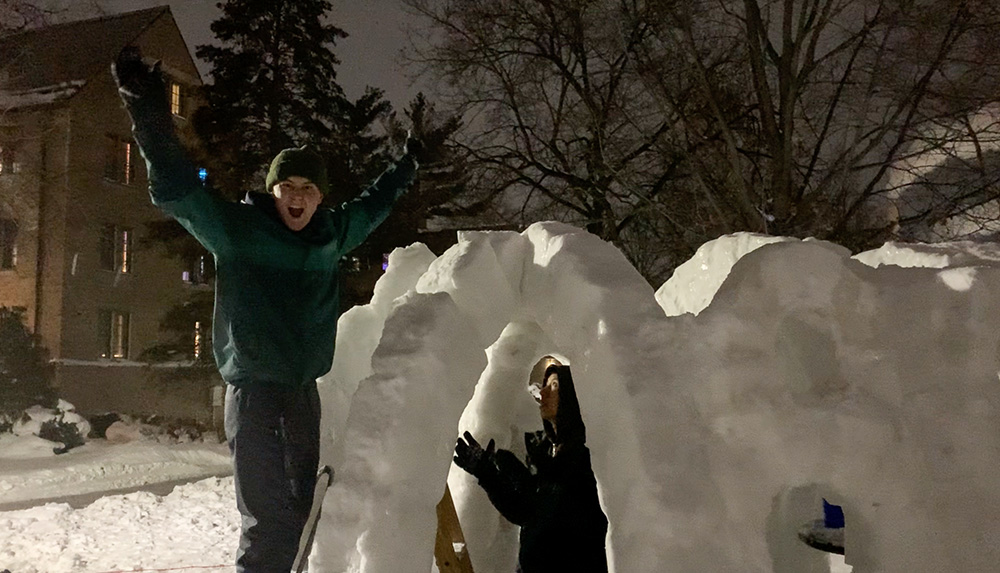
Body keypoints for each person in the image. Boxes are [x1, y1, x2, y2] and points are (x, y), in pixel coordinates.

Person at [111, 46, 419, 572]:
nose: (297, 198)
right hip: (254, 396)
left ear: (320, 196)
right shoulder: (237, 231)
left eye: (307, 188)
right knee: (266, 524)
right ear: (273, 191)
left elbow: (375, 202)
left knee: (301, 516)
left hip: (302, 396)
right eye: (287, 187)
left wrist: (409, 161)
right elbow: (179, 187)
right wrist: (147, 114)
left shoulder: (330, 235)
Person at [454, 362, 609, 572]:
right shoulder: (556, 450)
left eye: (554, 386)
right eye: (544, 385)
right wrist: (489, 471)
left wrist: (492, 474)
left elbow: (535, 512)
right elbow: (535, 506)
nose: (543, 393)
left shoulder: (584, 454)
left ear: (574, 396)